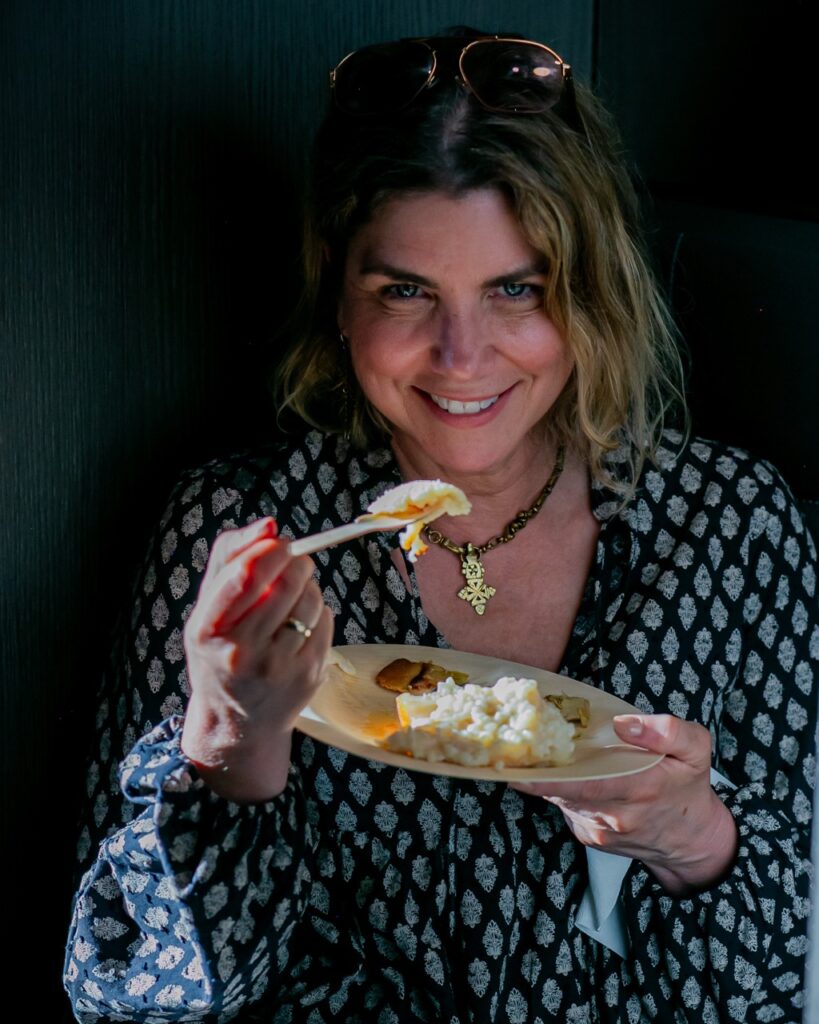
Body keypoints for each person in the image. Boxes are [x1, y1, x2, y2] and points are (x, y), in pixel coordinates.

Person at [65, 30, 816, 1023]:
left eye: (518, 288)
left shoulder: (735, 526)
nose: (462, 357)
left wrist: (692, 836)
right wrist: (228, 743)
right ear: (340, 291)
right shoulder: (239, 537)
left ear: (590, 291)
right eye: (406, 290)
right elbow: (126, 1000)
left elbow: (778, 985)